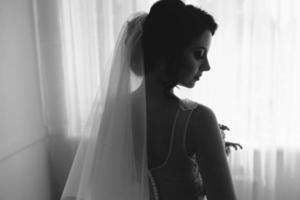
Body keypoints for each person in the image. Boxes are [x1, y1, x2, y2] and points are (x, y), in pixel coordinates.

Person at [60, 0, 238, 200]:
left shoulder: (114, 114)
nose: (206, 66)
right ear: (168, 53)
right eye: (199, 54)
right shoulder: (199, 120)